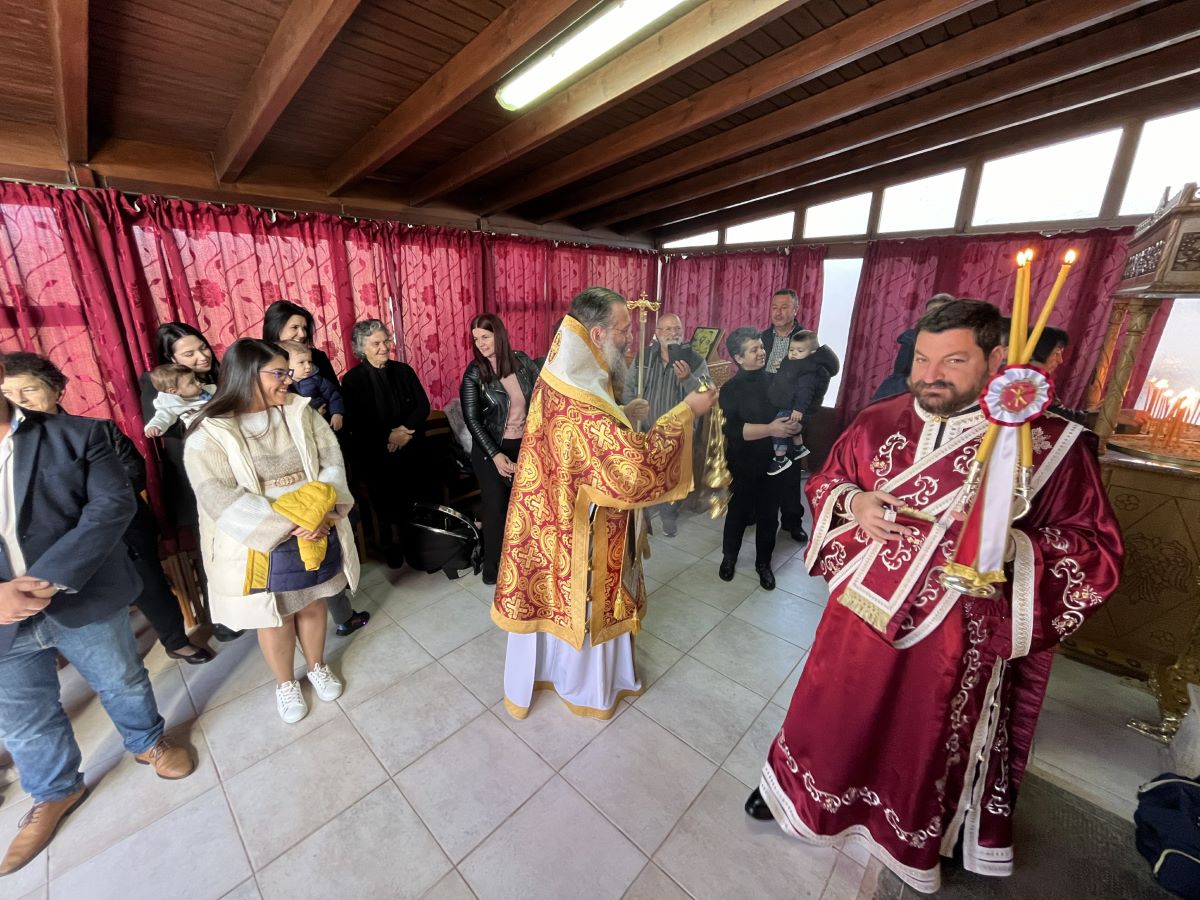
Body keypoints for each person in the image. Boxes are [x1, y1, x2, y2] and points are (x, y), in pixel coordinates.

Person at [746, 300, 1124, 893]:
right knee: (831, 703)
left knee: (919, 732)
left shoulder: (1051, 443)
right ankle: (795, 789)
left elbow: (1095, 551)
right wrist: (853, 502)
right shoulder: (879, 419)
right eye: (922, 359)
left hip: (955, 633)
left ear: (995, 360)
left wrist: (1009, 547)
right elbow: (826, 481)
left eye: (953, 361)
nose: (930, 376)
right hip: (859, 613)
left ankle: (921, 828)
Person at [0, 357, 194, 876]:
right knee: (23, 718)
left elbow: (110, 506)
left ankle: (147, 742)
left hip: (78, 591)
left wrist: (49, 577)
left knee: (122, 678)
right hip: (2, 618)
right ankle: (54, 791)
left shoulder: (79, 435)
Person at [492, 288, 717, 719]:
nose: (631, 338)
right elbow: (632, 470)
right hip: (583, 529)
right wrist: (687, 410)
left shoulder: (565, 375)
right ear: (596, 334)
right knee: (584, 599)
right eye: (623, 329)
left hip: (554, 516)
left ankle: (551, 672)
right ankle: (585, 687)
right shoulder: (579, 394)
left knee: (555, 599)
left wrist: (623, 413)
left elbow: (589, 442)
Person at [184, 339, 359, 723]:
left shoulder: (299, 411)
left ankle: (317, 665)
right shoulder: (209, 432)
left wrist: (322, 512)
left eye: (288, 372)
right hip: (263, 541)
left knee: (313, 602)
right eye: (279, 373)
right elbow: (218, 495)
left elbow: (331, 460)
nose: (288, 380)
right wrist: (290, 524)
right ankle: (285, 683)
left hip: (316, 527)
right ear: (248, 375)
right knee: (275, 616)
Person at [1, 353, 213, 664]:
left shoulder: (93, 430)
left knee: (151, 588)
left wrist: (94, 504)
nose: (20, 400)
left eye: (29, 390)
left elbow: (133, 473)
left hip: (121, 534)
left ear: (57, 391)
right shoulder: (7, 447)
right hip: (53, 552)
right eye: (8, 392)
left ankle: (176, 641)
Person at [140, 322, 242, 643]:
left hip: (233, 466)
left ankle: (249, 604)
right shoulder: (159, 384)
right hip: (194, 474)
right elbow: (161, 426)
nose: (202, 356)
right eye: (189, 354)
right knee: (211, 546)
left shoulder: (218, 376)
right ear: (171, 359)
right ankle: (222, 618)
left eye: (203, 347)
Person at [340, 319, 430, 569]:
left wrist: (404, 432)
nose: (384, 347)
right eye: (376, 343)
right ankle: (393, 543)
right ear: (362, 348)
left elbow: (422, 406)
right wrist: (388, 438)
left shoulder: (404, 371)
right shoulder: (352, 380)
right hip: (376, 452)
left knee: (415, 492)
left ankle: (417, 544)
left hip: (410, 446)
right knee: (386, 496)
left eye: (386, 341)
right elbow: (355, 423)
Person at [459, 314, 541, 585]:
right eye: (476, 339)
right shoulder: (474, 373)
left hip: (524, 445)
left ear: (499, 335)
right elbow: (472, 420)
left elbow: (543, 398)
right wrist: (495, 455)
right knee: (495, 509)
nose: (480, 344)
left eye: (485, 337)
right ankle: (493, 568)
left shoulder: (522, 362)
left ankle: (525, 561)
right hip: (490, 447)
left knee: (526, 506)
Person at [717, 328, 801, 591]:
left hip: (774, 462)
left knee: (768, 516)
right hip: (743, 462)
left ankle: (763, 564)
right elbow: (732, 430)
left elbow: (790, 413)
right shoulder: (730, 389)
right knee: (738, 512)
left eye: (761, 347)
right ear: (739, 358)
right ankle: (729, 558)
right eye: (754, 350)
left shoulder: (776, 381)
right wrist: (771, 429)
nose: (761, 352)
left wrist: (793, 425)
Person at [622, 312, 709, 537]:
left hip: (677, 432)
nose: (673, 333)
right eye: (668, 329)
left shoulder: (695, 360)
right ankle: (644, 516)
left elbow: (705, 395)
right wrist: (633, 414)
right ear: (657, 333)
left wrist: (687, 379)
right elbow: (629, 388)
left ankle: (669, 516)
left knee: (671, 476)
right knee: (645, 474)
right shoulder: (644, 357)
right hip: (645, 429)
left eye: (677, 329)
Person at [760, 289, 809, 542]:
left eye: (784, 307)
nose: (778, 313)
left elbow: (814, 379)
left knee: (789, 469)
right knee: (762, 465)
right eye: (774, 307)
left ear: (795, 310)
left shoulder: (805, 339)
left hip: (789, 410)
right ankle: (757, 512)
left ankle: (792, 520)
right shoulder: (761, 337)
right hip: (763, 409)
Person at [765, 330, 839, 476]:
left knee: (779, 429)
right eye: (791, 349)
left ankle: (780, 459)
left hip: (794, 406)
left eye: (800, 351)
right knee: (792, 427)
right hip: (788, 403)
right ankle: (799, 448)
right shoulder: (798, 363)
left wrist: (798, 409)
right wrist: (783, 367)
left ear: (812, 353)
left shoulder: (810, 371)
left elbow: (805, 392)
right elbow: (791, 378)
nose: (794, 353)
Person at [871, 293, 956, 402]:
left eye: (939, 312)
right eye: (930, 312)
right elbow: (901, 372)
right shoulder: (912, 337)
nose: (933, 316)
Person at [262, 299, 340, 387]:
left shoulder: (318, 357)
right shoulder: (260, 360)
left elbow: (335, 392)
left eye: (304, 328)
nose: (302, 334)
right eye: (295, 327)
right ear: (275, 328)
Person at [143, 363, 214, 437]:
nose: (198, 382)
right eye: (192, 382)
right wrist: (154, 426)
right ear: (173, 391)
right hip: (203, 432)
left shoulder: (208, 390)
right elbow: (162, 417)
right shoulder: (172, 405)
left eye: (196, 379)